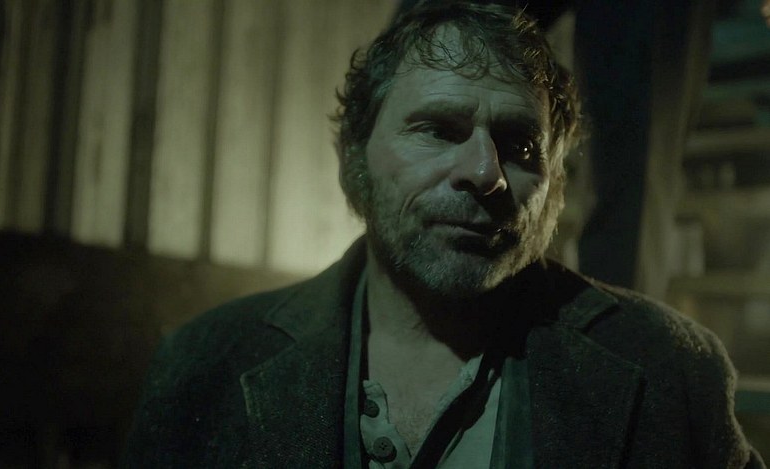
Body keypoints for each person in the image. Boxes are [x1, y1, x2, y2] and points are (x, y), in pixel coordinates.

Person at [123, 2, 765, 467]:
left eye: (521, 145)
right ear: (352, 160)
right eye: (436, 129)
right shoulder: (203, 365)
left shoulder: (672, 372)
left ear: (556, 186)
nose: (485, 173)